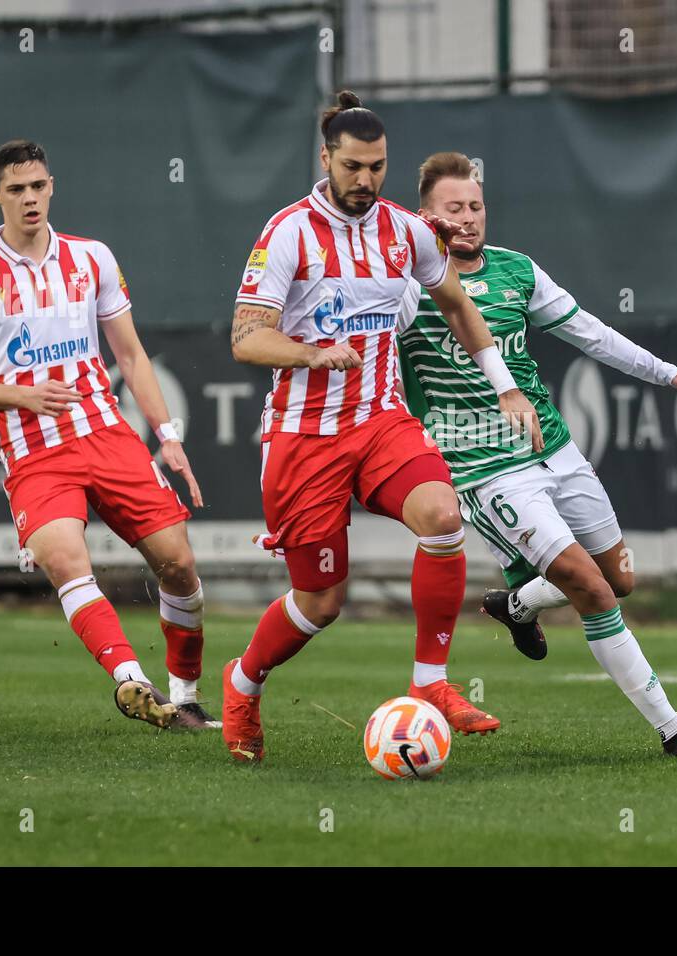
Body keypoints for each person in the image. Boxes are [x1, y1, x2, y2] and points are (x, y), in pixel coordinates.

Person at [220, 93, 544, 762]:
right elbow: (246, 339)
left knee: (443, 516)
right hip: (305, 436)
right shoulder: (287, 233)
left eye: (378, 166)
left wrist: (507, 386)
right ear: (325, 160)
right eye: (353, 166)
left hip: (381, 421)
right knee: (320, 602)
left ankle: (430, 686)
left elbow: (455, 302)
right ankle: (243, 681)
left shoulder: (407, 230)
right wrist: (311, 351)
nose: (366, 179)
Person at [399, 152, 677, 757]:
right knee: (591, 587)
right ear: (426, 215)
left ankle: (516, 603)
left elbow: (592, 334)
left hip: (553, 448)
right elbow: (371, 353)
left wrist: (673, 376)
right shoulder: (406, 285)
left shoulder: (517, 271)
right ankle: (674, 729)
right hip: (484, 469)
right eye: (454, 209)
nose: (469, 218)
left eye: (476, 206)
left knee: (619, 579)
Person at [0, 139, 216, 731]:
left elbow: (132, 355)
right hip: (33, 450)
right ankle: (130, 680)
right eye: (16, 190)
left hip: (106, 433)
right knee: (66, 559)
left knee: (180, 565)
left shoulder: (91, 257)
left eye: (37, 185)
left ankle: (186, 697)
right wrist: (21, 395)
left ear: (51, 187)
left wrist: (166, 434)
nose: (29, 198)